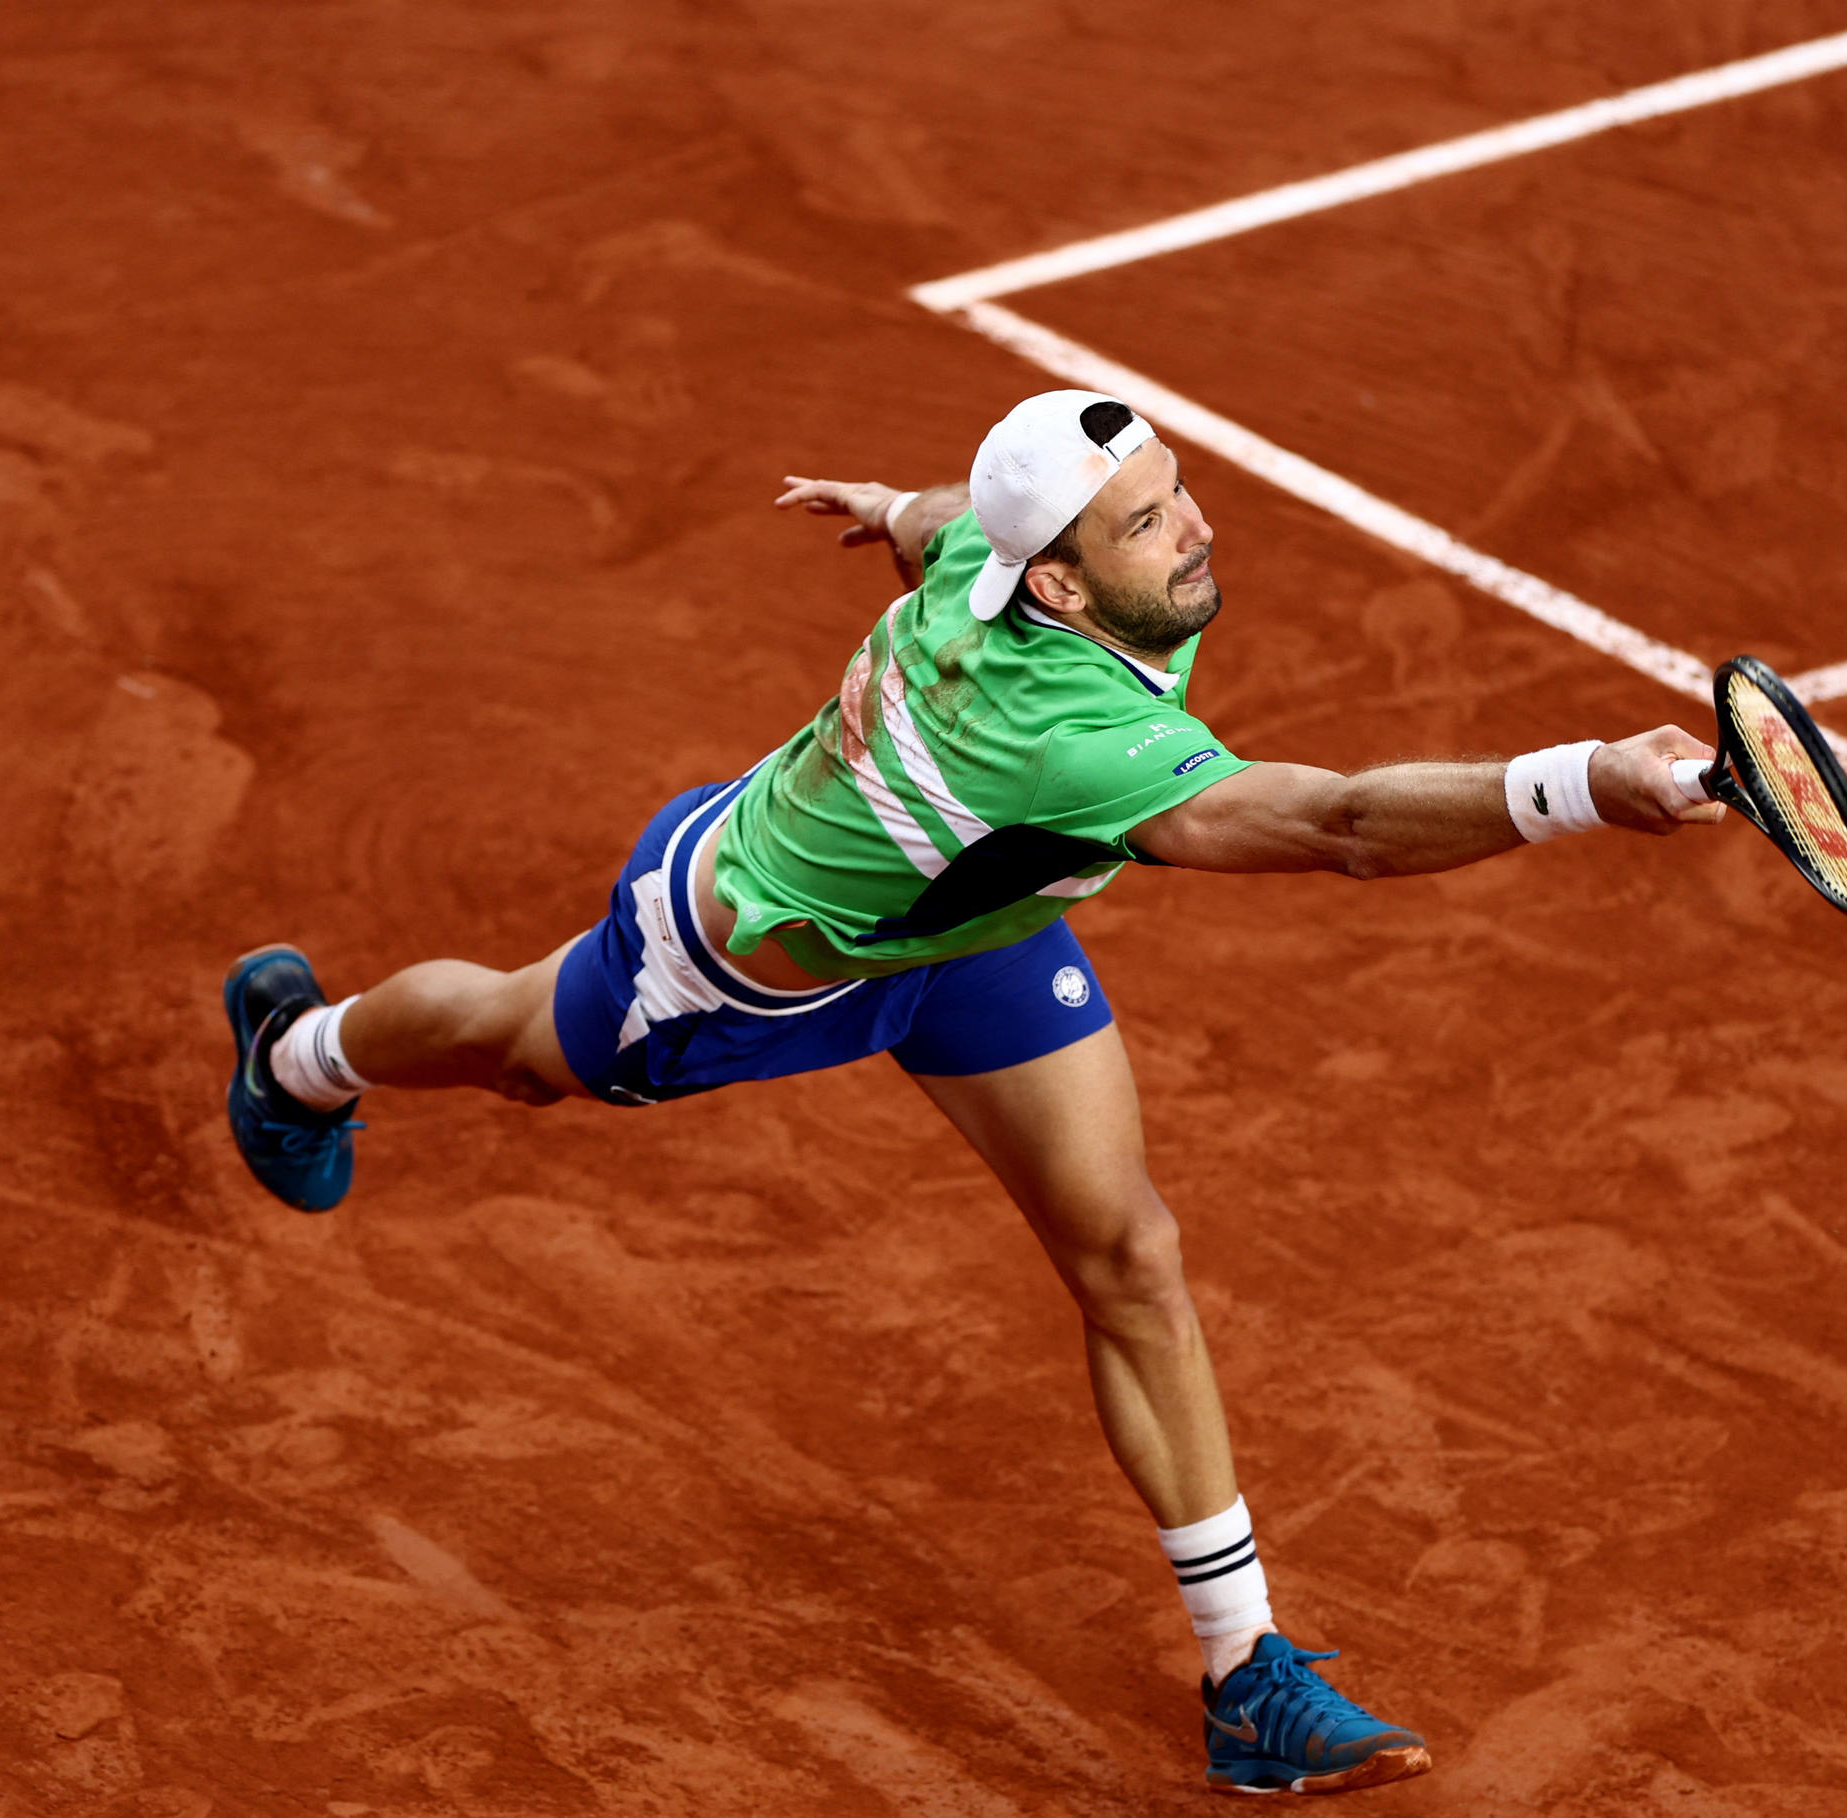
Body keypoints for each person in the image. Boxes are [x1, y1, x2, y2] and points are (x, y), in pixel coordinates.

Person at [220, 390, 1726, 1796]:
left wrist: (882, 502)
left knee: (1129, 1249)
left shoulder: (1009, 564)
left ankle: (1245, 1675)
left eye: (1177, 491)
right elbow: (1333, 824)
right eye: (1147, 524)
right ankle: (300, 1054)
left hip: (964, 924)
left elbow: (948, 524)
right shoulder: (1064, 733)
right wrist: (1580, 780)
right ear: (1062, 586)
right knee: (513, 1045)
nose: (1194, 528)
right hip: (739, 958)